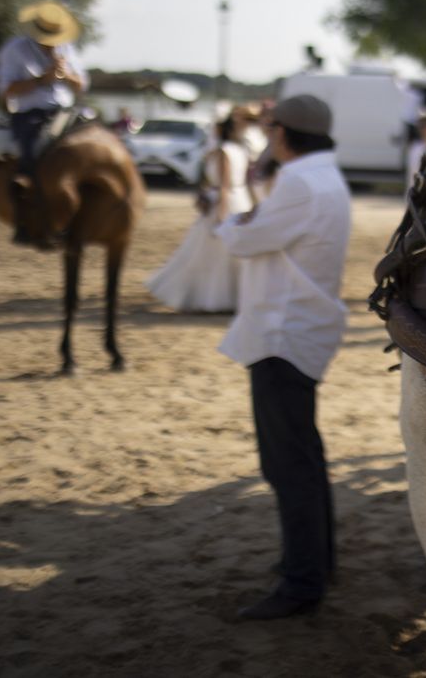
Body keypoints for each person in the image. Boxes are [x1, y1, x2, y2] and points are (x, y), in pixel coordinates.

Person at [215, 95, 351, 620]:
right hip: (298, 329)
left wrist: (235, 220)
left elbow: (245, 242)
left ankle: (302, 582)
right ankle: (317, 563)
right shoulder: (324, 176)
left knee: (287, 463)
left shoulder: (298, 181)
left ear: (282, 134)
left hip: (282, 331)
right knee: (303, 457)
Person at [0, 0, 89, 243]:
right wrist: (41, 80)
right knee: (33, 152)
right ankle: (26, 220)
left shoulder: (66, 48)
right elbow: (7, 91)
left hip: (66, 111)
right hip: (30, 113)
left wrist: (64, 74)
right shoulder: (14, 50)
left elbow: (81, 85)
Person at [145, 117, 252, 312]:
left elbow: (224, 186)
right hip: (240, 200)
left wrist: (220, 216)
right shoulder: (240, 150)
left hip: (223, 203)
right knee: (224, 255)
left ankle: (210, 297)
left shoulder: (223, 152)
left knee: (206, 253)